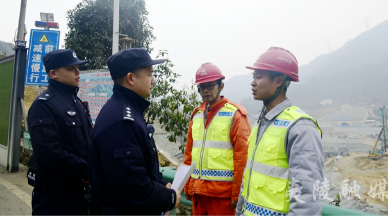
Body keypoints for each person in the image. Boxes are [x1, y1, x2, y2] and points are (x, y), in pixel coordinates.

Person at [89, 48, 180, 215]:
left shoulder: (128, 111)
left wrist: (160, 183)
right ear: (131, 78)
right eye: (149, 74)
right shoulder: (121, 121)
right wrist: (169, 198)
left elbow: (140, 167)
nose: (153, 81)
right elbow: (130, 186)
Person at [236, 47, 324, 216]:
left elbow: (307, 197)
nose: (253, 82)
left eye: (259, 77)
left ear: (278, 81)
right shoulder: (260, 123)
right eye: (253, 77)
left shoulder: (300, 127)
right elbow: (248, 181)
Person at [27, 49, 93, 215]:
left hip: (81, 193)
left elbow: (89, 140)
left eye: (78, 68)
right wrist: (87, 170)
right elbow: (49, 153)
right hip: (55, 198)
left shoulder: (76, 102)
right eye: (71, 69)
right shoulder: (43, 105)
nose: (78, 72)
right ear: (53, 73)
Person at [183, 62, 250, 215]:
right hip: (198, 192)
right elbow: (189, 154)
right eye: (202, 87)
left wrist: (236, 193)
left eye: (210, 85)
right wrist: (187, 184)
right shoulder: (196, 114)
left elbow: (242, 158)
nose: (206, 90)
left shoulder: (235, 115)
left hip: (222, 195)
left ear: (221, 86)